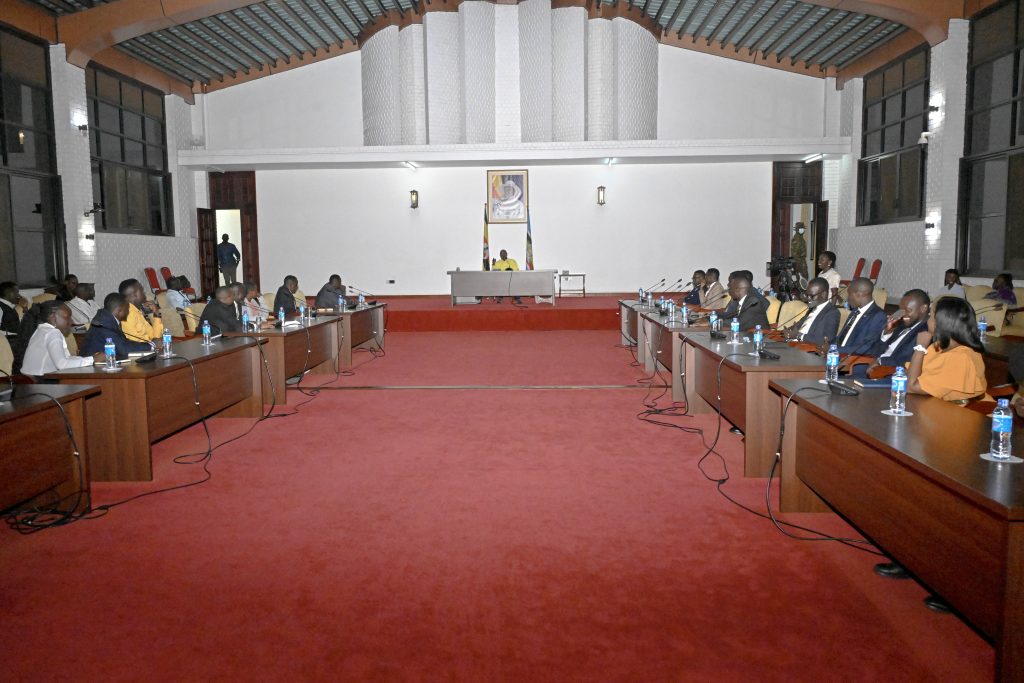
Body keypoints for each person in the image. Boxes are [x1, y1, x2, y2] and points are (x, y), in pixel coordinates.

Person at [906, 297, 987, 402]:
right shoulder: (939, 347)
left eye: (930, 316)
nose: (927, 320)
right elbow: (908, 375)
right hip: (932, 405)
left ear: (940, 323)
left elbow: (910, 387)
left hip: (961, 413)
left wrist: (920, 347)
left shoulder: (960, 358)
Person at [14, 300, 103, 376]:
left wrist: (89, 358)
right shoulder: (52, 333)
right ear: (53, 318)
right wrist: (93, 359)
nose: (71, 322)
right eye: (67, 317)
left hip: (30, 382)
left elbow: (65, 359)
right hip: (40, 385)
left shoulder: (42, 330)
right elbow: (62, 364)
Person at [865, 289, 931, 372]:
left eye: (908, 310)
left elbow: (908, 361)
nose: (903, 315)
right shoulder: (901, 325)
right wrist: (887, 333)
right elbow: (875, 352)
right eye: (901, 310)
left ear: (923, 308)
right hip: (873, 367)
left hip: (891, 375)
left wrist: (880, 361)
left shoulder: (926, 331)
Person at [80, 293, 154, 358]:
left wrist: (150, 344)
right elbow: (124, 350)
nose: (128, 311)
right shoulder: (104, 324)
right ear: (119, 311)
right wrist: (152, 346)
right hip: (92, 369)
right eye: (127, 308)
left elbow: (124, 343)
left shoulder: (107, 318)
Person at [834, 277, 886, 355]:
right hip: (838, 355)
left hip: (852, 360)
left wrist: (836, 350)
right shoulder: (855, 311)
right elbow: (841, 337)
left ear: (859, 294)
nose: (848, 299)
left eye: (849, 294)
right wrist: (830, 347)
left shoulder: (878, 316)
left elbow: (865, 347)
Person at [784, 277, 839, 345]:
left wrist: (799, 336)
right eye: (807, 295)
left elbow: (826, 339)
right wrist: (789, 331)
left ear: (823, 294)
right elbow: (798, 326)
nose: (808, 299)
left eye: (812, 296)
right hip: (793, 344)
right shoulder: (812, 308)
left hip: (808, 350)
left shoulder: (832, 312)